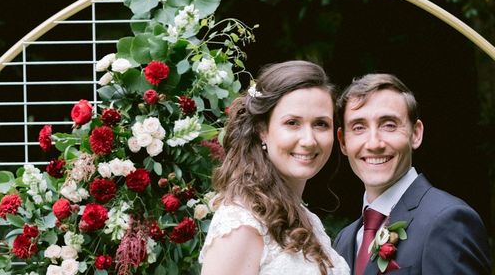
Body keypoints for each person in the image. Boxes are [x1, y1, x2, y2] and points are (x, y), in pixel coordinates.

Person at [199, 60, 350, 275]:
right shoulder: (242, 225)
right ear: (262, 130)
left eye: (320, 124)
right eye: (292, 123)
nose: (309, 140)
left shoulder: (307, 220)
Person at [333, 73, 491, 275]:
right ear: (343, 142)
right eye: (358, 127)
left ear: (415, 134)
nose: (374, 143)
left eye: (389, 125)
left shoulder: (448, 220)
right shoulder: (345, 240)